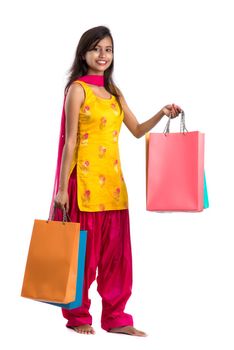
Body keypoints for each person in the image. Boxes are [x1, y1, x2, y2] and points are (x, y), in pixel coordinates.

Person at [50, 25, 182, 336]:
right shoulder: (77, 90)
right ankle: (78, 315)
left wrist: (162, 114)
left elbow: (136, 131)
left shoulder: (114, 93)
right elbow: (70, 142)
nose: (102, 55)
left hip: (113, 185)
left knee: (115, 257)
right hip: (81, 185)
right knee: (82, 253)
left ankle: (116, 317)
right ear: (84, 53)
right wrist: (60, 189)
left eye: (108, 49)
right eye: (96, 48)